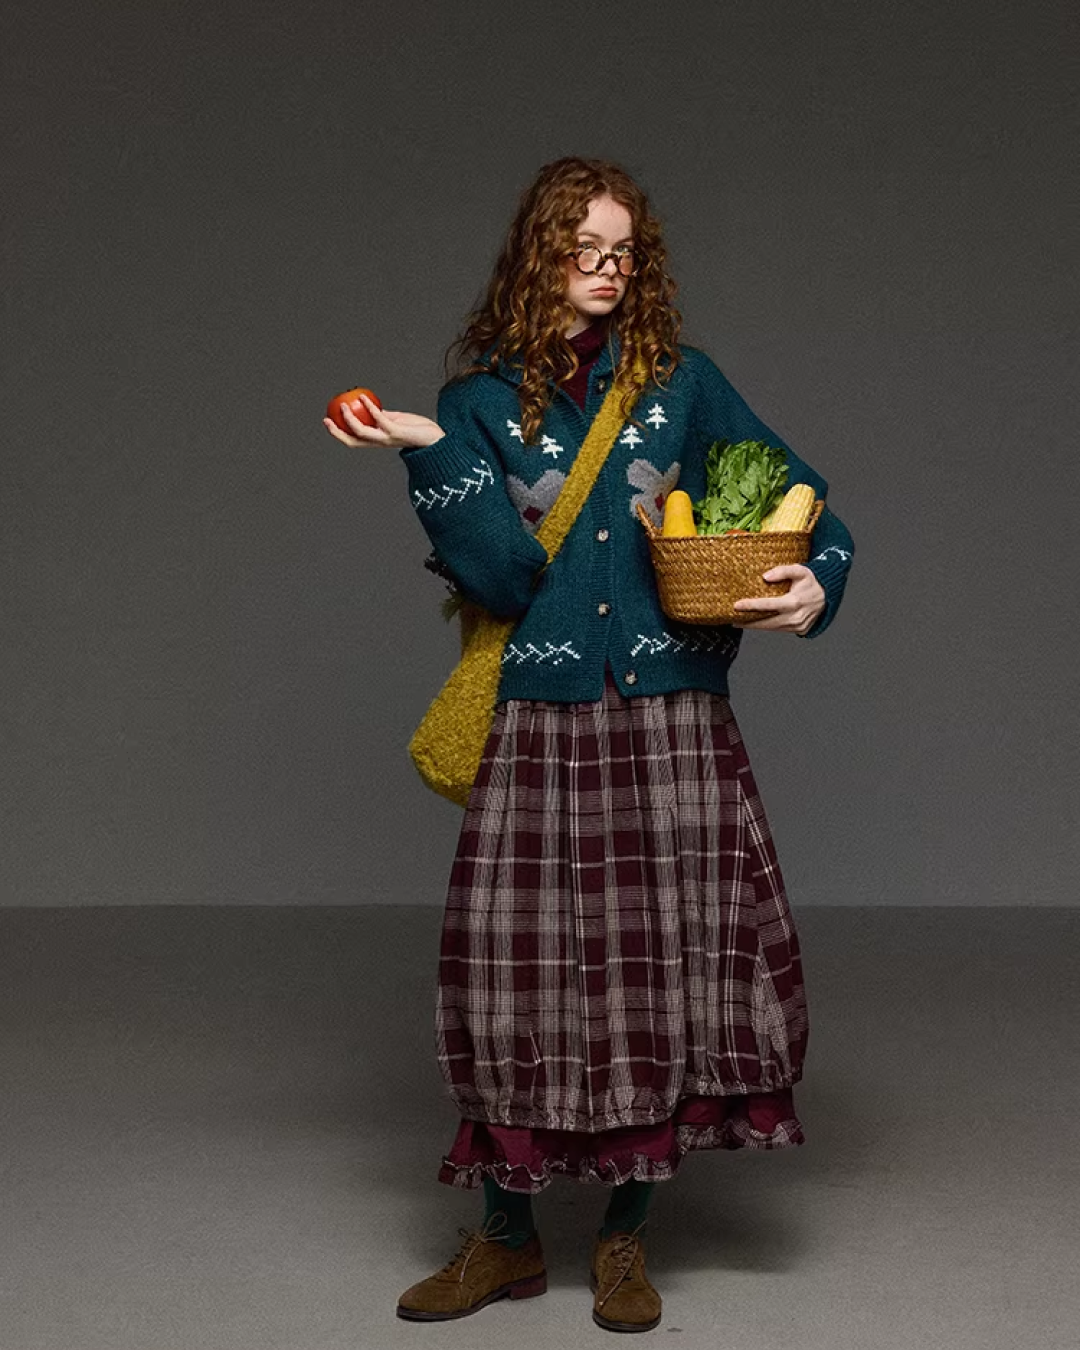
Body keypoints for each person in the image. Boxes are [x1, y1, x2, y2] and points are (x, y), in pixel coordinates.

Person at [323, 156, 854, 1334]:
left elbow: (810, 498)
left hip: (673, 710)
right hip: (542, 711)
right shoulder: (477, 404)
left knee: (659, 971)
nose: (607, 272)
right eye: (584, 251)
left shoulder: (681, 384)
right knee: (516, 976)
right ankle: (506, 1237)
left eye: (624, 253)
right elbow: (504, 577)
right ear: (542, 256)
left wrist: (818, 581)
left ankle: (625, 1234)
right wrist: (428, 444)